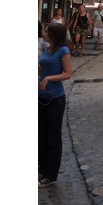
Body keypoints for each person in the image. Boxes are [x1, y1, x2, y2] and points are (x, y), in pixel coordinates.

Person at [38, 22, 71, 187]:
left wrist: (48, 79)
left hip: (55, 98)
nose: (43, 33)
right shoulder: (46, 50)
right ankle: (42, 169)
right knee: (41, 134)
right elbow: (42, 70)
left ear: (53, 34)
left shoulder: (63, 51)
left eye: (46, 31)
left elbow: (67, 74)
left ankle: (51, 174)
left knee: (53, 137)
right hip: (41, 96)